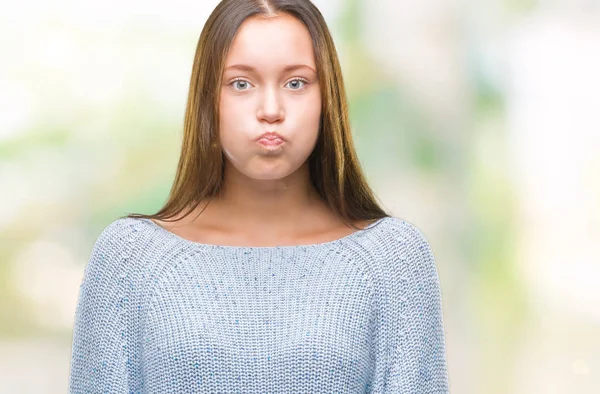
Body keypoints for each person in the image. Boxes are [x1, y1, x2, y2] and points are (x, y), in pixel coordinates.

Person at [68, 0, 450, 392]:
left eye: (296, 82)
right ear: (208, 101)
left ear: (326, 99)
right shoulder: (131, 258)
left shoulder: (392, 259)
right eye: (241, 83)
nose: (271, 109)